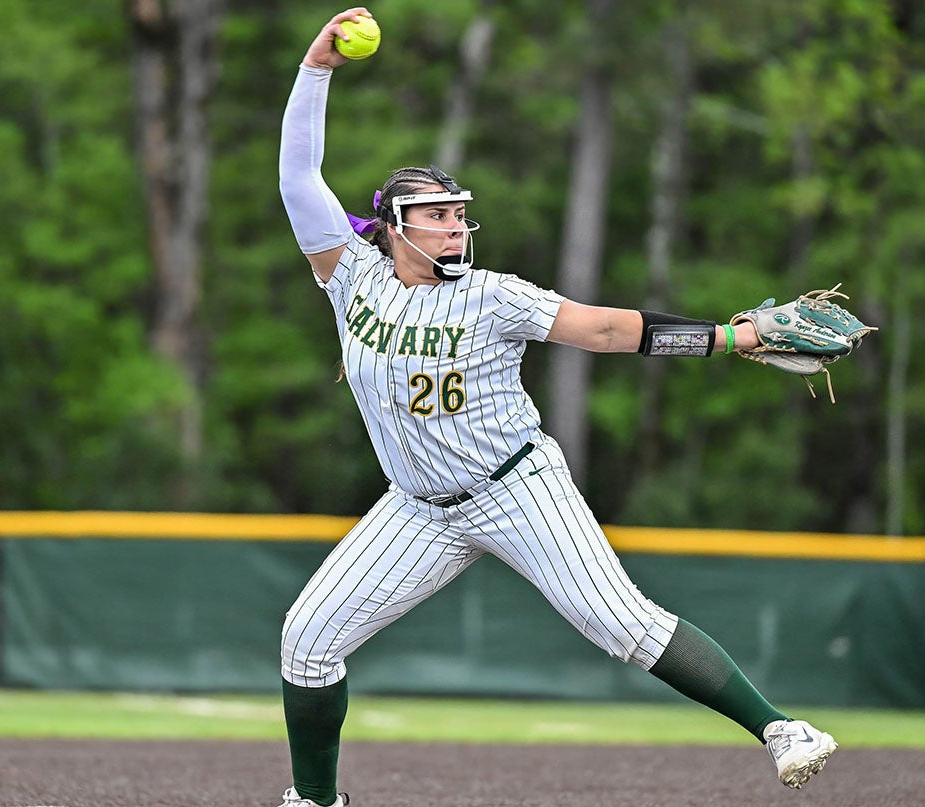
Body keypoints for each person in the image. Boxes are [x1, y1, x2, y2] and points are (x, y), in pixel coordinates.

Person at [276, 9, 837, 806]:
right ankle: (314, 800)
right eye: (437, 214)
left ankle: (782, 728)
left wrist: (726, 335)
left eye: (459, 213)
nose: (455, 225)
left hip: (516, 488)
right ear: (394, 227)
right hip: (418, 509)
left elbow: (608, 329)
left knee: (625, 626)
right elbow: (299, 178)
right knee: (306, 639)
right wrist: (317, 66)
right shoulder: (350, 276)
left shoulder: (494, 297)